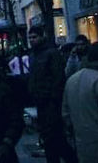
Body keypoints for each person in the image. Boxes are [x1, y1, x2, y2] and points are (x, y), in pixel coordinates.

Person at [28, 25, 77, 163]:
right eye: (30, 37)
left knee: (55, 139)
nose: (32, 40)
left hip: (51, 103)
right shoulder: (34, 55)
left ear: (42, 36)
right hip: (42, 102)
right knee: (50, 140)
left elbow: (58, 78)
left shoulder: (51, 53)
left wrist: (54, 100)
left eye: (34, 37)